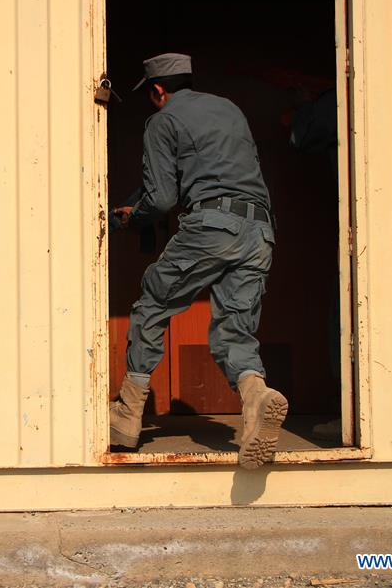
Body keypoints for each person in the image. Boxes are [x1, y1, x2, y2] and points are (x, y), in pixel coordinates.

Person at [109, 53, 288, 470]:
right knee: (236, 328)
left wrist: (131, 217)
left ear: (157, 90)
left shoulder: (163, 120)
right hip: (260, 230)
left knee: (153, 304)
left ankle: (127, 415)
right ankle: (256, 398)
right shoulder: (229, 109)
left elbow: (162, 199)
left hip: (211, 225)